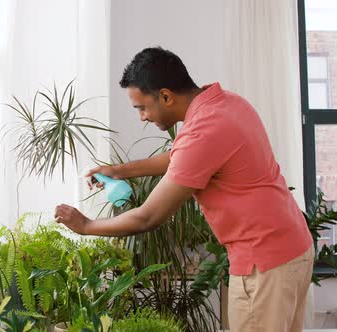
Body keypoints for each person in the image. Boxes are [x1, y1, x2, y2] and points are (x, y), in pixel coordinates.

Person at [54, 47, 314, 332]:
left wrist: (86, 225)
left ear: (165, 96)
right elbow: (180, 157)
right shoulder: (226, 104)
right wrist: (118, 170)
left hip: (263, 262)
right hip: (292, 247)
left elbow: (148, 217)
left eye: (142, 107)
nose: (141, 117)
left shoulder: (204, 130)